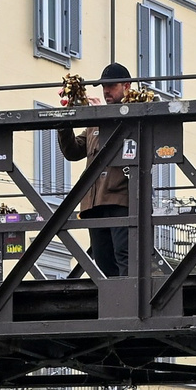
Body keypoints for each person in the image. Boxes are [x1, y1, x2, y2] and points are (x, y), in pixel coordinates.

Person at [59, 63, 137, 277]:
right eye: (103, 86)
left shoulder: (136, 114)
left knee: (125, 257)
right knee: (103, 259)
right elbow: (73, 151)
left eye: (111, 86)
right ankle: (116, 301)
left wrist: (100, 115)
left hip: (120, 199)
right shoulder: (95, 123)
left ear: (126, 86)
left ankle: (126, 303)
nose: (105, 90)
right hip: (94, 203)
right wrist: (65, 121)